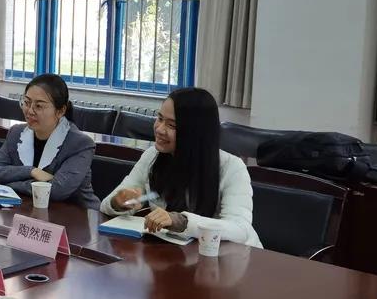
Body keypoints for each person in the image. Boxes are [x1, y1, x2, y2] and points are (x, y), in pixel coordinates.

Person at [100, 87, 262, 247]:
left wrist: (181, 221)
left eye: (172, 125)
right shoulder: (152, 156)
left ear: (196, 131)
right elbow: (106, 205)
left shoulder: (232, 167)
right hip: (179, 253)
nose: (159, 129)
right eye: (159, 118)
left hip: (234, 257)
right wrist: (118, 202)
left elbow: (240, 229)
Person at [0, 73, 98, 208]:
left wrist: (8, 185)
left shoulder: (80, 144)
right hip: (29, 210)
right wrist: (31, 171)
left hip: (78, 215)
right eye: (27, 102)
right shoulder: (16, 133)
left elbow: (56, 191)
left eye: (39, 106)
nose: (30, 111)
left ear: (60, 111)